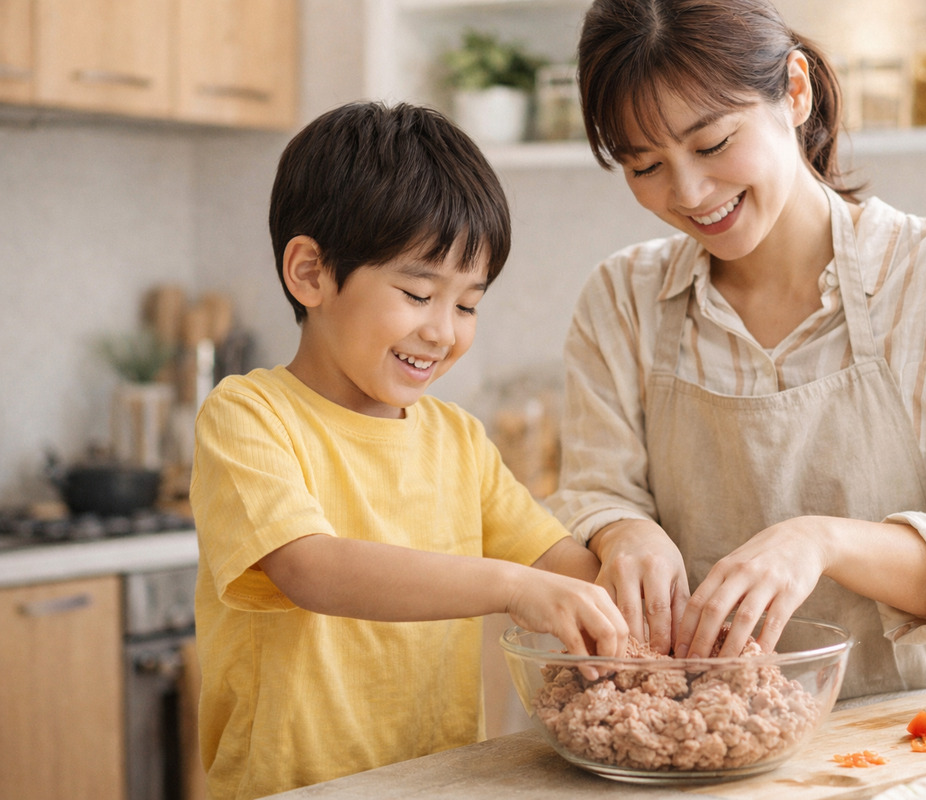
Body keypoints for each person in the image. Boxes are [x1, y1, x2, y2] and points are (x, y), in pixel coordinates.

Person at [546, 0, 926, 699]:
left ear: (794, 91)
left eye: (712, 144)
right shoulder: (620, 300)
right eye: (645, 165)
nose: (688, 192)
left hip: (913, 739)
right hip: (703, 743)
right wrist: (620, 531)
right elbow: (594, 490)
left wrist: (822, 542)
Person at [189, 101, 627, 800]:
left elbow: (559, 563)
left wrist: (636, 569)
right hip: (292, 789)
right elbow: (311, 568)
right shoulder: (250, 415)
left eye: (468, 304)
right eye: (419, 292)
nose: (444, 331)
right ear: (310, 273)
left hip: (437, 784)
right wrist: (514, 589)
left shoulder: (457, 438)